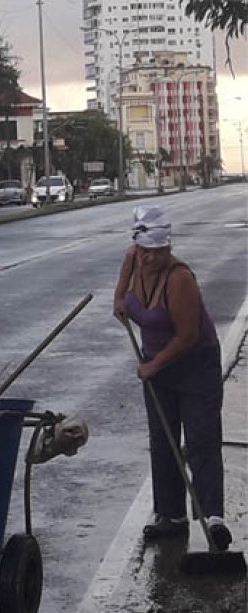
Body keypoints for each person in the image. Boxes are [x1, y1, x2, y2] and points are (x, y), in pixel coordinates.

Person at [113, 204, 232, 549]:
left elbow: (188, 335)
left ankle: (214, 519)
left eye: (159, 252)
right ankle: (171, 515)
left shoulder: (179, 279)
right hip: (157, 364)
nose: (151, 258)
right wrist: (120, 302)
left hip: (195, 364)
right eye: (146, 251)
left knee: (200, 439)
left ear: (168, 247)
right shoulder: (132, 258)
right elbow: (122, 290)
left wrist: (153, 366)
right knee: (163, 440)